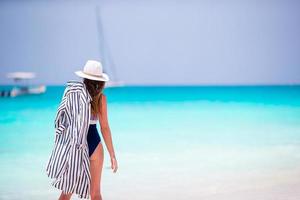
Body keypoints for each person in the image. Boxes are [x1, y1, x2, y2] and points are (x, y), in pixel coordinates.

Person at [46, 60, 118, 200]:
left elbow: (63, 117)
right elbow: (104, 127)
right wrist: (112, 155)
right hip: (94, 143)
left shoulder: (74, 94)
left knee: (67, 192)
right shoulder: (101, 98)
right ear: (100, 81)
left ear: (84, 77)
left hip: (75, 145)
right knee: (95, 193)